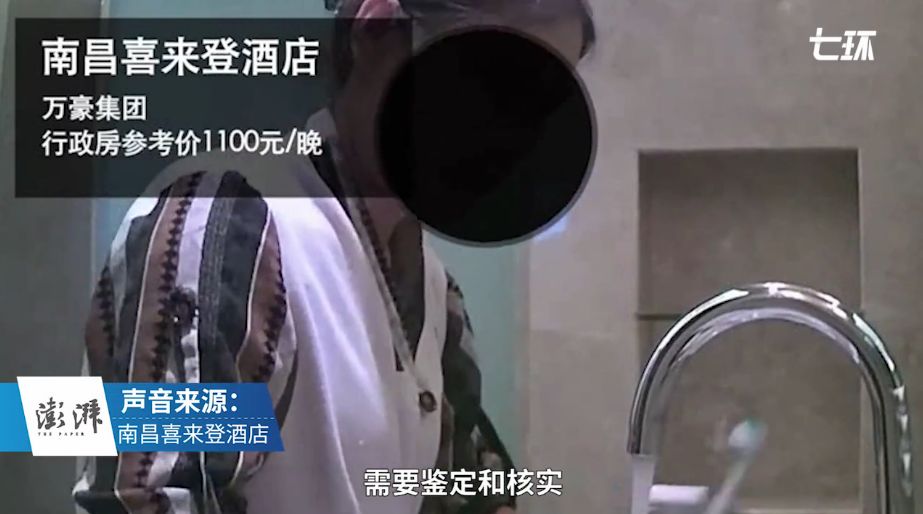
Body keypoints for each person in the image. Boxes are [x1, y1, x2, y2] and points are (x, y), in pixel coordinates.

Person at [73, 0, 595, 513]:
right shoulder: (231, 226)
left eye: (547, 102)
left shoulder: (432, 290)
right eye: (505, 78)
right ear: (375, 27)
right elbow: (146, 499)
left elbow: (468, 486)